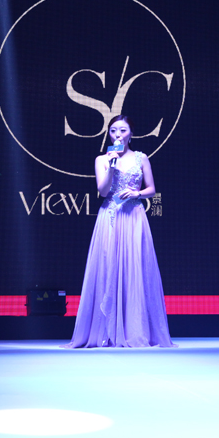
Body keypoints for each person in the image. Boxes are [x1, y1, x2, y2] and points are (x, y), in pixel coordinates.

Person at [67, 115, 175, 348]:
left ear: (131, 134)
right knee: (108, 267)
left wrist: (137, 193)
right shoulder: (102, 159)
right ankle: (106, 331)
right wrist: (111, 167)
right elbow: (103, 191)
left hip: (134, 216)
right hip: (110, 216)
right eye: (114, 130)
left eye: (123, 130)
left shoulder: (141, 158)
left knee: (135, 269)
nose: (118, 134)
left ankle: (135, 329)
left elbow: (152, 189)